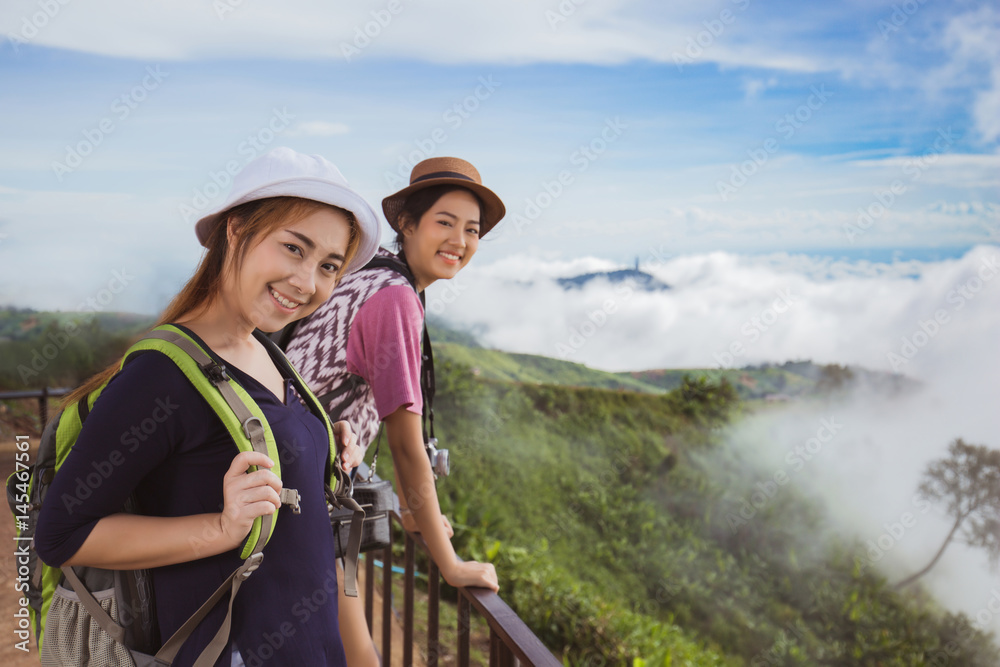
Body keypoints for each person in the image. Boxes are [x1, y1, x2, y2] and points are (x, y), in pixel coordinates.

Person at [35, 147, 382, 667]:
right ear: (235, 231)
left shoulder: (266, 352)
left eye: (328, 265)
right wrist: (221, 528)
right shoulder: (161, 375)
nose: (308, 282)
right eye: (293, 248)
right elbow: (61, 535)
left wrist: (319, 441)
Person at [284, 156, 505, 665]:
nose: (460, 241)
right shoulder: (395, 298)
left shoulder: (371, 271)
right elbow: (406, 448)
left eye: (471, 230)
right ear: (407, 223)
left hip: (288, 470)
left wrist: (412, 511)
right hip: (299, 493)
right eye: (444, 223)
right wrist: (448, 565)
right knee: (358, 656)